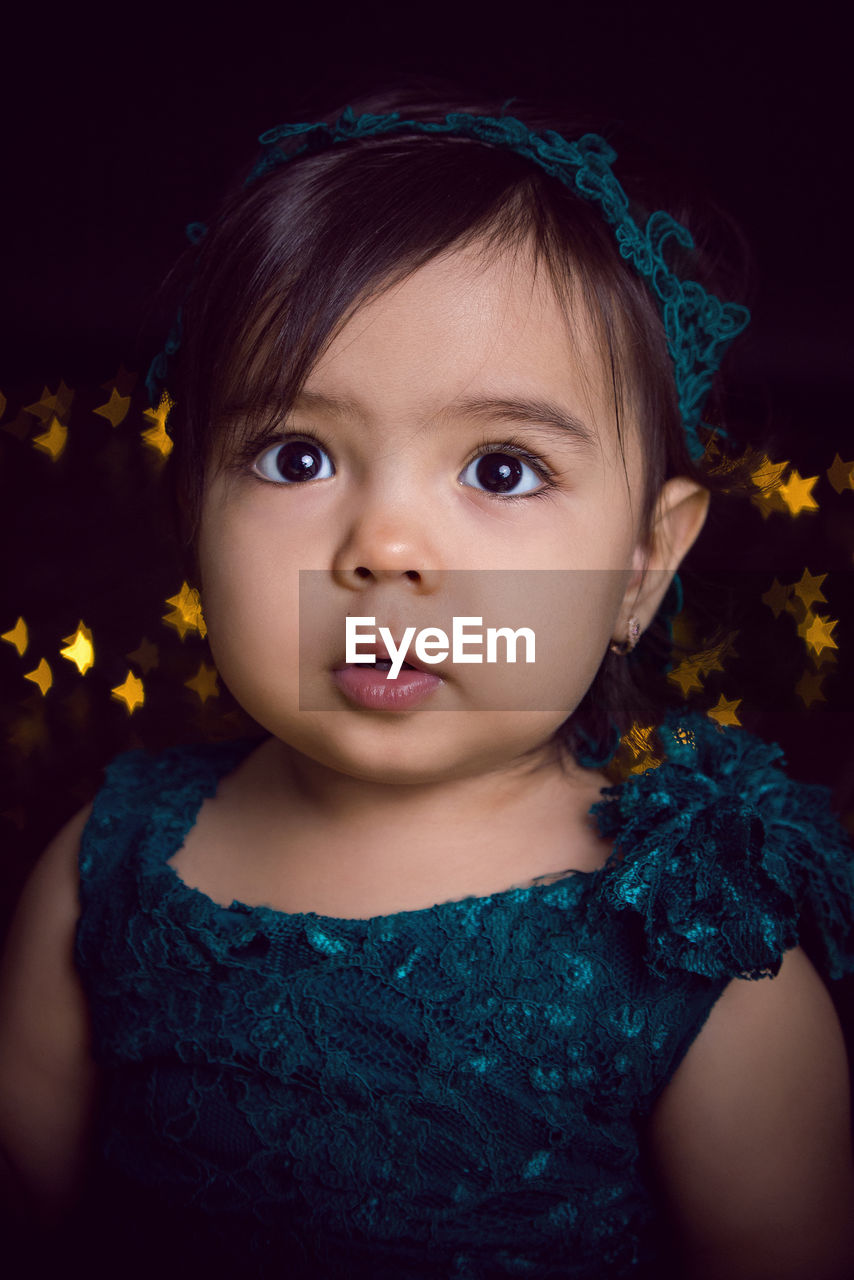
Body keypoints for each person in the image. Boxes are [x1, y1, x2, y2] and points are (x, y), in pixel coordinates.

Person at [0, 88, 853, 1280]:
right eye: (296, 455)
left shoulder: (692, 947)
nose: (385, 545)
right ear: (193, 501)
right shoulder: (111, 866)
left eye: (501, 468)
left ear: (640, 566)